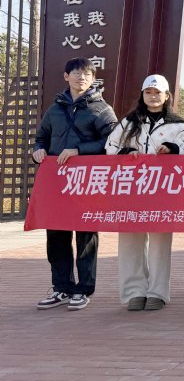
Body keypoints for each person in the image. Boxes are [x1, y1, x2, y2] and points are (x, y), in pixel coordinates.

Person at [32, 57, 117, 311]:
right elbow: (41, 138)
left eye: (87, 74)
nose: (82, 77)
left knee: (86, 237)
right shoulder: (54, 110)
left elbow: (113, 143)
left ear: (93, 79)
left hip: (87, 184)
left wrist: (79, 150)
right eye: (77, 73)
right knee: (56, 236)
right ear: (66, 76)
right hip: (57, 184)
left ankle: (83, 289)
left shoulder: (102, 110)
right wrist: (38, 151)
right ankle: (62, 287)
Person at [105, 74, 184, 311]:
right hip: (131, 189)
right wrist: (125, 153)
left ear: (167, 96)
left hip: (162, 190)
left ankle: (157, 292)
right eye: (149, 92)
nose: (153, 97)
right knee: (130, 241)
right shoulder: (129, 122)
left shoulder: (178, 124)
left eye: (158, 93)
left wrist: (173, 149)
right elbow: (110, 147)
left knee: (160, 242)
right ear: (142, 95)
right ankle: (134, 292)